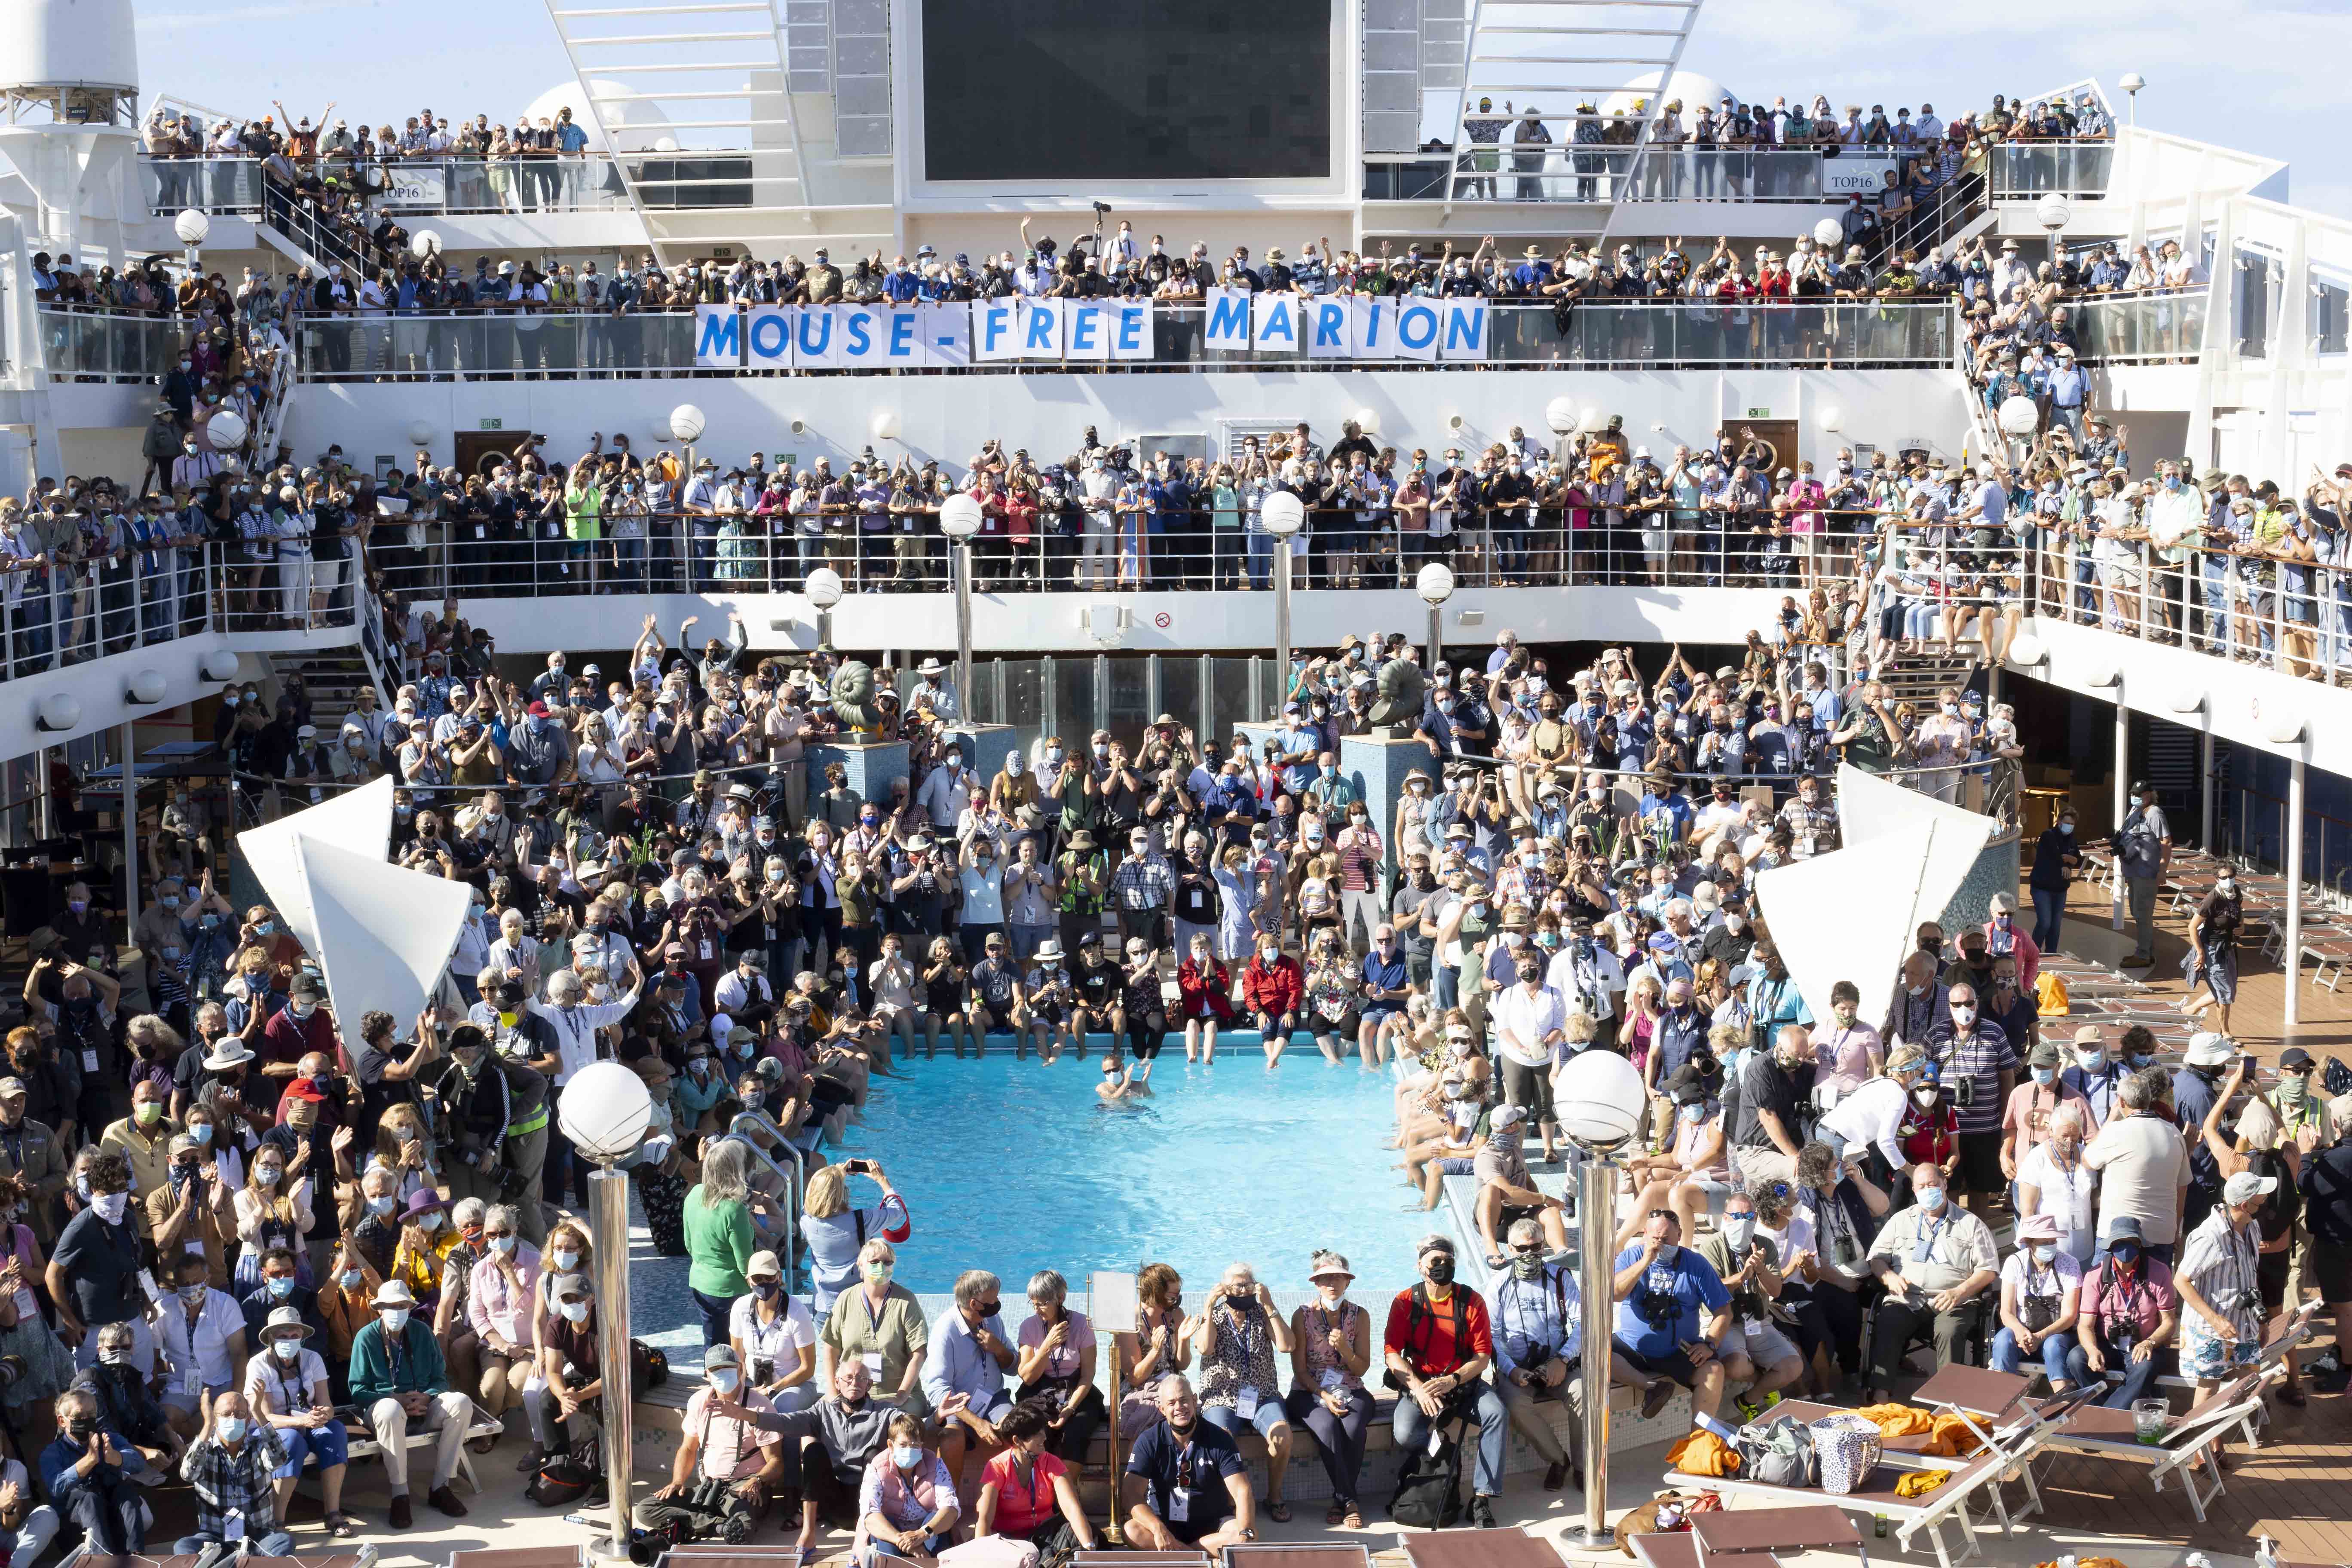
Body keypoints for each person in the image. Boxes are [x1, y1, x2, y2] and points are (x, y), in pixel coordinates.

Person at [1382, 1234, 1506, 1529]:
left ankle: (1482, 1498)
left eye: (1448, 1261)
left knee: (1496, 1414)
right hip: (1422, 1385)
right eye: (1435, 1261)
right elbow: (1391, 1354)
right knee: (1404, 1433)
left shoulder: (1471, 1301)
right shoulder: (1405, 1302)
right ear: (1420, 1266)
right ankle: (1443, 1457)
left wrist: (1454, 1380)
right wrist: (1417, 1389)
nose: (1442, 1266)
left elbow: (1482, 1355)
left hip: (1462, 1383)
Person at [1860, 1164, 1998, 1401]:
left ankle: (1948, 1400)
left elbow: (1988, 1270)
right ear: (1914, 1190)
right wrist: (1889, 1276)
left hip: (1953, 1300)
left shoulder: (1970, 1223)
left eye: (1933, 1185)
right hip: (1907, 1298)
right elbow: (1876, 1259)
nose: (1928, 1190)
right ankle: (1880, 1396)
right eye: (1921, 1186)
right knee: (1889, 1321)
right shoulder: (1901, 1220)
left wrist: (1960, 1291)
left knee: (1949, 1330)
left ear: (1945, 1185)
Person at [347, 1279, 475, 1527]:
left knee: (461, 1402)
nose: (397, 1312)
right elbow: (358, 1391)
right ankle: (400, 1494)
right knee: (390, 1410)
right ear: (380, 1309)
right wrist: (395, 1399)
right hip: (386, 1411)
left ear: (409, 1307)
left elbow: (441, 1379)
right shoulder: (366, 1338)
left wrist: (426, 1396)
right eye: (391, 1306)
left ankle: (440, 1487)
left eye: (402, 1305)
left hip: (423, 1406)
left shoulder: (423, 1332)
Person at [638, 1344, 786, 1540]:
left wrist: (756, 1481)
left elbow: (776, 1462)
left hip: (743, 1489)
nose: (722, 1374)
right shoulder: (699, 1401)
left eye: (728, 1369)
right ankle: (721, 1527)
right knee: (645, 1509)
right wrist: (677, 1481)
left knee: (745, 1527)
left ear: (740, 1369)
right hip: (707, 1487)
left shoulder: (760, 1406)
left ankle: (697, 1523)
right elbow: (688, 1448)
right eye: (716, 1370)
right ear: (707, 1374)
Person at [1609, 1207, 1733, 1435]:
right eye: (1655, 1238)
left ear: (1679, 1235)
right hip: (1633, 1345)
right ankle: (1652, 1389)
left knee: (1714, 1371)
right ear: (1644, 1234)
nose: (1660, 1244)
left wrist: (1710, 1344)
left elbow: (1724, 1311)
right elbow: (1614, 1294)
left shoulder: (1697, 1265)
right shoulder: (1630, 1257)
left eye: (1666, 1239)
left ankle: (1699, 1441)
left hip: (1678, 1349)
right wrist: (1646, 1261)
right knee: (1594, 1354)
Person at [1191, 1261, 1294, 1522]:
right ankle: (1231, 1501)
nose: (1242, 1290)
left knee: (1282, 1436)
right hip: (1221, 1396)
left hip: (1262, 1394)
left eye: (1247, 1284)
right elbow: (1204, 1348)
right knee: (1221, 1437)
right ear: (1224, 1288)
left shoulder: (1262, 1313)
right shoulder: (1213, 1315)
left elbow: (1287, 1345)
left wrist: (1269, 1304)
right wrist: (1208, 1305)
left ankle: (1275, 1496)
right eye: (1236, 1285)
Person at [242, 1305, 354, 1535]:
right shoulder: (258, 1364)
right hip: (271, 1429)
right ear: (271, 1338)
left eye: (294, 1336)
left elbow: (327, 1404)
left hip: (307, 1422)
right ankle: (277, 1521)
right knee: (292, 1441)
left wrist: (325, 1414)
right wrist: (303, 1423)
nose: (289, 1340)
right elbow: (265, 1418)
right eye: (283, 1336)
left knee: (335, 1432)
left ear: (302, 1336)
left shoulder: (312, 1359)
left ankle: (333, 1513)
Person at [1490, 1217, 1582, 1493]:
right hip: (1518, 1369)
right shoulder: (1498, 1284)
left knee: (1585, 1395)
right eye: (1522, 1249)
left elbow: (1582, 1324)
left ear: (1544, 1246)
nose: (1529, 1254)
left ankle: (1583, 1467)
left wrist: (1563, 1360)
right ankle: (1558, 1460)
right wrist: (1510, 1370)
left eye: (1536, 1247)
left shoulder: (1561, 1278)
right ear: (1510, 1249)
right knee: (1515, 1405)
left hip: (1558, 1364)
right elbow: (1491, 1336)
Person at [1282, 1250, 1373, 1528]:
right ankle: (1349, 1500)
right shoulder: (1303, 1316)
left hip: (1352, 1388)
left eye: (1339, 1277)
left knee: (1354, 1427)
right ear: (1316, 1284)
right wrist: (1324, 1396)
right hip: (1308, 1392)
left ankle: (1340, 1499)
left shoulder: (1360, 1316)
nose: (1332, 1283)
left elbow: (1362, 1369)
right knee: (1328, 1427)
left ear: (1348, 1282)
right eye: (1325, 1278)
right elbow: (1299, 1370)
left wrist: (1344, 1349)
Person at [1121, 1375, 1256, 1550]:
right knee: (1131, 1531)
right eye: (1171, 1403)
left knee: (1243, 1533)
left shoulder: (1220, 1438)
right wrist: (1158, 1528)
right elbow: (1131, 1495)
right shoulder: (1149, 1440)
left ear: (1195, 1400)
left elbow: (1242, 1491)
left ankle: (1184, 1556)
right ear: (1162, 1409)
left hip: (1212, 1528)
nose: (1179, 1408)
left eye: (1184, 1400)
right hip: (1165, 1526)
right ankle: (1203, 1559)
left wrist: (1246, 1535)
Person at [49, 1149, 150, 1372]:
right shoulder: (81, 1226)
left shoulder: (129, 1217)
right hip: (96, 1327)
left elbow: (138, 1262)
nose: (117, 1195)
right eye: (110, 1189)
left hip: (132, 1318)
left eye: (122, 1188)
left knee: (143, 1380)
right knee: (96, 1389)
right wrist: (69, 1320)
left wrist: (149, 1299)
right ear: (94, 1189)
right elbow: (52, 1275)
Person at [2174, 1168, 2272, 1396]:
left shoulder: (2252, 1226)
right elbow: (2181, 1281)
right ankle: (2206, 1433)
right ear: (2246, 1205)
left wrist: (2262, 1320)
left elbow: (2250, 1276)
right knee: (2208, 1392)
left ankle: (2246, 1427)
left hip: (2245, 1324)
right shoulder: (2210, 1236)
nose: (2268, 1200)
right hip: (2212, 1330)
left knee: (2249, 1383)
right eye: (2263, 1198)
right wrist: (2215, 1319)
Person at [922, 1268, 1014, 1505]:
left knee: (1015, 1429)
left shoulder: (992, 1319)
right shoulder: (946, 1330)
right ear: (975, 1304)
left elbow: (1014, 1367)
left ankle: (1011, 1502)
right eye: (993, 1301)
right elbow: (938, 1389)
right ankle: (948, 1506)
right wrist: (977, 1423)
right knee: (952, 1440)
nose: (997, 1304)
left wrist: (998, 1349)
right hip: (958, 1405)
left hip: (993, 1398)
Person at [2085, 1068, 2189, 1264]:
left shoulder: (2115, 1132)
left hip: (2116, 1235)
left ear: (2121, 1101)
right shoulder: (2175, 1134)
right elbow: (2182, 1186)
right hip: (2161, 1233)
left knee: (2108, 1293)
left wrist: (2110, 1119)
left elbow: (2087, 1161)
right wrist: (2175, 1229)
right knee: (2156, 1294)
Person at [173, 1390, 293, 1556]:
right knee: (183, 1547)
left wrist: (259, 1414)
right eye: (226, 1414)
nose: (233, 1419)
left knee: (284, 1542)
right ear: (216, 1419)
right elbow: (188, 1474)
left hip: (257, 1536)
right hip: (214, 1539)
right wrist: (207, 1424)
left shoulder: (258, 1446)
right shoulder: (203, 1448)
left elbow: (280, 1459)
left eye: (239, 1414)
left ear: (248, 1419)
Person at [973, 1399, 1096, 1555]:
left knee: (1082, 1534)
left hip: (1045, 1535)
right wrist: (980, 1558)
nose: (1044, 1437)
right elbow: (984, 1518)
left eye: (1043, 1431)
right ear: (1017, 1441)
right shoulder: (996, 1467)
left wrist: (1089, 1548)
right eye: (1037, 1434)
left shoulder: (1052, 1462)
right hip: (1008, 1540)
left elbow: (1072, 1509)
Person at [819, 1237, 929, 1410]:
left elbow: (919, 1354)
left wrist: (901, 1396)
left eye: (887, 1262)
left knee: (896, 1424)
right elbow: (830, 1349)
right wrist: (834, 1392)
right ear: (860, 1265)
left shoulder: (906, 1301)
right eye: (874, 1262)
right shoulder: (846, 1299)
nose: (881, 1267)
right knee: (815, 1421)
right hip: (852, 1392)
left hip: (895, 1393)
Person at [40, 1387, 147, 1554]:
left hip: (112, 1508)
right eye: (78, 1417)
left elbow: (138, 1463)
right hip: (77, 1520)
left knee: (125, 1490)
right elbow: (56, 1486)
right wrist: (89, 1461)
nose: (86, 1420)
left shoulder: (108, 1439)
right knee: (89, 1498)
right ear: (62, 1421)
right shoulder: (53, 1453)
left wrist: (116, 1458)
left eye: (91, 1416)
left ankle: (137, 1556)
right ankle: (102, 1562)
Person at [1012, 1269, 1100, 1468]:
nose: (1037, 1310)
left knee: (1076, 1433)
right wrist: (1046, 1347)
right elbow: (1027, 1377)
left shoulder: (1082, 1325)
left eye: (1043, 1303)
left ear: (1060, 1298)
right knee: (1036, 1431)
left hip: (1077, 1390)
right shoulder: (1029, 1327)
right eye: (1034, 1304)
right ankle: (1039, 1489)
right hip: (1040, 1390)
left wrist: (1070, 1409)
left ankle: (1063, 1494)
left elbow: (1088, 1376)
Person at [802, 1159, 912, 1316]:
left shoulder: (806, 1221)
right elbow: (897, 1211)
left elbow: (813, 1202)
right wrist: (882, 1180)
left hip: (824, 1308)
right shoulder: (861, 1220)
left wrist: (835, 1174)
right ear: (842, 1192)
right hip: (858, 1306)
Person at [1989, 1214, 2082, 1390]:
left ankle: (2062, 1402)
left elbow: (2070, 1316)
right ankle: (2001, 1398)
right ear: (2030, 1244)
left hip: (2057, 1331)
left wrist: (2040, 1336)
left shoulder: (2070, 1264)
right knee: (2003, 1340)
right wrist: (2020, 1331)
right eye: (2044, 1243)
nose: (2050, 1246)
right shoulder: (2014, 1262)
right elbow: (2006, 1312)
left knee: (2054, 1346)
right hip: (2022, 1330)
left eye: (2052, 1241)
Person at [685, 1139, 763, 1346]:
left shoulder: (693, 1194)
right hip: (730, 1292)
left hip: (700, 1283)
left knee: (712, 1343)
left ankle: (710, 1375)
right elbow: (745, 1263)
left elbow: (689, 1244)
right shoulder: (734, 1209)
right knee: (734, 1349)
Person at [859, 1410, 959, 1563]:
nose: (909, 1450)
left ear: (922, 1446)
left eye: (915, 1445)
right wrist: (907, 1543)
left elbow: (950, 1508)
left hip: (926, 1529)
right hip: (892, 1532)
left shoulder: (936, 1465)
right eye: (903, 1445)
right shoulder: (876, 1469)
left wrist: (922, 1534)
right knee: (890, 1555)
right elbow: (870, 1514)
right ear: (890, 1445)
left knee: (938, 1540)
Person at [733, 1249, 819, 1415]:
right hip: (753, 1382)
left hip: (795, 1385)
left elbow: (808, 1368)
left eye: (770, 1277)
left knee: (778, 1410)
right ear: (749, 1281)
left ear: (779, 1277)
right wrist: (742, 1390)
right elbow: (738, 1361)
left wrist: (772, 1389)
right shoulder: (740, 1308)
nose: (764, 1282)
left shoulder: (798, 1312)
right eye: (758, 1279)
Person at [2110, 781, 2169, 967]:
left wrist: (2162, 869)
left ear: (2150, 794)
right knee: (2138, 913)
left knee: (2143, 914)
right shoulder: (2135, 812)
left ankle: (2143, 955)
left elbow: (2166, 842)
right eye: (2134, 793)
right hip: (2133, 871)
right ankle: (2146, 952)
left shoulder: (2154, 813)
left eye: (2141, 794)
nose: (2136, 797)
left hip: (2146, 873)